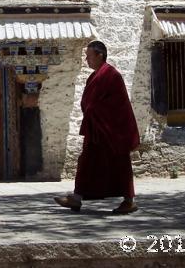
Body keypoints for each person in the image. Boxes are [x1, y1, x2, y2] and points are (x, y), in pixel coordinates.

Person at [54, 40, 140, 214]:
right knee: (88, 163)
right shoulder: (96, 75)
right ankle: (76, 198)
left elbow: (116, 105)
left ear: (100, 55)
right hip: (98, 129)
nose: (87, 60)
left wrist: (95, 113)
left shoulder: (111, 75)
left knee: (120, 165)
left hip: (112, 130)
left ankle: (129, 201)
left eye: (89, 56)